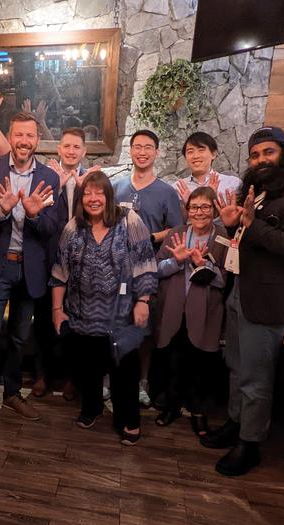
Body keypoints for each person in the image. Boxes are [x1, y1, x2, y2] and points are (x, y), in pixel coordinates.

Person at [201, 126, 284, 476]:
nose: (261, 160)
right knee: (236, 368)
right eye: (255, 155)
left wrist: (251, 224)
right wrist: (228, 227)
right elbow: (241, 246)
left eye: (268, 152)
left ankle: (250, 444)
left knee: (255, 377)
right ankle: (236, 425)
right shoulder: (259, 194)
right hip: (239, 294)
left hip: (267, 302)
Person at [0, 111, 65, 457]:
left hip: (30, 271)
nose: (23, 142)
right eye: (18, 135)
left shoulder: (49, 176)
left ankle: (10, 393)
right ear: (9, 135)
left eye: (30, 136)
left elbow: (53, 230)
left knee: (20, 338)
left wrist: (34, 215)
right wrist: (2, 212)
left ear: (37, 140)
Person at [51, 171, 157, 445]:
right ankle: (92, 407)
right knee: (87, 368)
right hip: (81, 316)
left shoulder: (128, 220)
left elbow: (145, 261)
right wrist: (57, 309)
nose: (93, 198)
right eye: (87, 193)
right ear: (81, 198)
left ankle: (129, 420)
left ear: (108, 195)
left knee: (125, 370)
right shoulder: (73, 227)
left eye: (99, 193)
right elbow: (60, 272)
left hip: (121, 315)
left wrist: (143, 300)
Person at [112, 129, 184, 408]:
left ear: (156, 152)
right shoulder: (117, 187)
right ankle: (110, 379)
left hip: (149, 271)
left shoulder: (166, 191)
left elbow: (176, 230)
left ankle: (141, 383)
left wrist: (149, 238)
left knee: (143, 330)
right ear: (131, 151)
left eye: (148, 147)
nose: (142, 151)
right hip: (114, 269)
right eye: (137, 146)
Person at [29, 127, 101, 400]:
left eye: (76, 147)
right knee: (44, 323)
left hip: (80, 266)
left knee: (77, 324)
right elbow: (36, 217)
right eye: (66, 146)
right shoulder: (45, 177)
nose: (71, 151)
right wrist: (58, 186)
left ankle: (74, 378)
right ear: (58, 149)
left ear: (83, 151)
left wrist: (85, 190)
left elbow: (99, 218)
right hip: (47, 262)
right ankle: (42, 375)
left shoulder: (93, 180)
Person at [152, 187, 228, 436]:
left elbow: (226, 281)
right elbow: (157, 269)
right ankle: (171, 406)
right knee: (173, 360)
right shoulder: (176, 234)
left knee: (201, 364)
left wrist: (203, 264)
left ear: (214, 210)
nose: (199, 212)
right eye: (194, 207)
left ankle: (198, 412)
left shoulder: (222, 238)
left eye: (205, 207)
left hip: (206, 311)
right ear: (187, 211)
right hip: (173, 308)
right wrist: (178, 260)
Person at [174, 132, 242, 203]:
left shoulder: (233, 184)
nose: (195, 156)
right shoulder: (176, 188)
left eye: (201, 150)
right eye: (190, 152)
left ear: (213, 154)